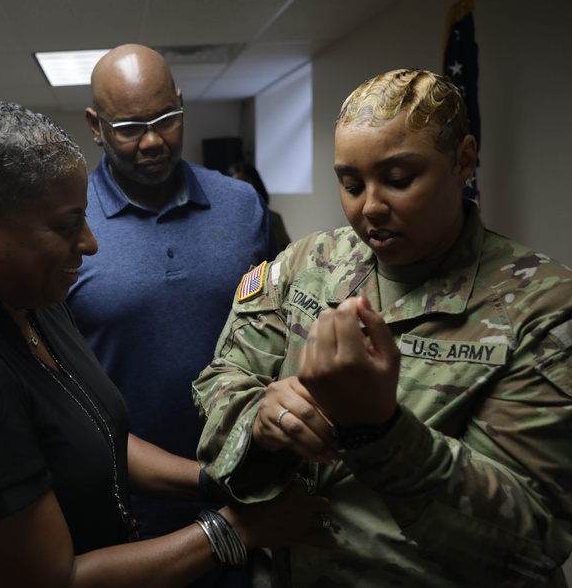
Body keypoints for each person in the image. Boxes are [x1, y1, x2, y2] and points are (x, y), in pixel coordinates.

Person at [0, 101, 333, 588]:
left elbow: (96, 437)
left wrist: (219, 480)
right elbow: (55, 578)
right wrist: (241, 527)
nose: (90, 242)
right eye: (65, 226)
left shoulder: (30, 295)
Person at [193, 69, 572, 586]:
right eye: (351, 184)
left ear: (462, 160)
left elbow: (533, 535)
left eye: (398, 180)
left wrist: (381, 431)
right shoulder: (308, 263)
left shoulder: (541, 306)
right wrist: (260, 423)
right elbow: (222, 379)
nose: (369, 207)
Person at [65, 44, 274, 571]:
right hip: (127, 502)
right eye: (130, 127)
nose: (153, 140)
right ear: (95, 124)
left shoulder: (242, 205)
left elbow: (272, 334)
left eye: (166, 119)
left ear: (182, 103)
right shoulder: (67, 226)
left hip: (247, 482)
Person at [227, 161, 292, 251]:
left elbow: (286, 254)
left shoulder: (272, 219)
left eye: (245, 184)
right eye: (235, 185)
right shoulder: (223, 221)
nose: (240, 191)